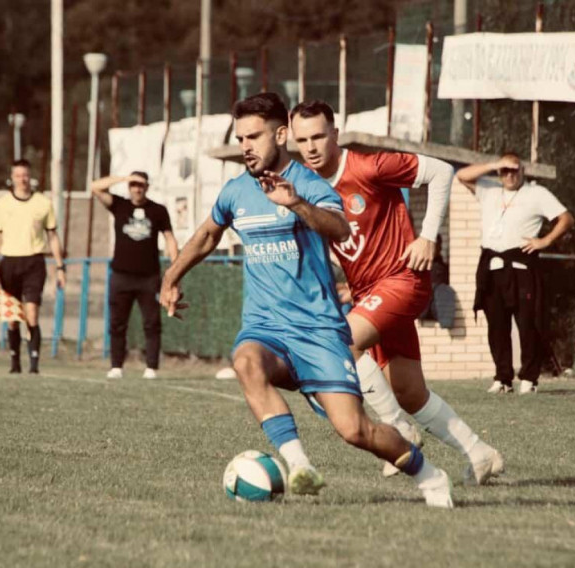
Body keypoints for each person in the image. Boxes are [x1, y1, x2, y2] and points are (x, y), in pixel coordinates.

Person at [160, 93, 453, 508]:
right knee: (245, 361)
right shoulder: (235, 191)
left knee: (356, 431)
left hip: (318, 331)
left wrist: (295, 203)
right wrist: (171, 276)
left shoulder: (311, 185)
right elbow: (208, 234)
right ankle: (300, 467)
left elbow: (340, 228)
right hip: (266, 327)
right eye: (240, 138)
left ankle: (429, 474)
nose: (245, 146)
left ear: (281, 135)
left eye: (254, 137)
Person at [290, 100, 504, 484]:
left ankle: (397, 429)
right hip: (370, 295)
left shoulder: (369, 166)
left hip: (403, 280)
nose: (311, 147)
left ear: (335, 134)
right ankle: (480, 453)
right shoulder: (307, 187)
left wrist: (427, 236)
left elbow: (442, 172)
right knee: (409, 392)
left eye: (318, 136)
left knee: (341, 340)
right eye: (302, 140)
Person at [455, 153, 574, 395]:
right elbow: (461, 175)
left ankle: (529, 379)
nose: (509, 175)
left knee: (528, 324)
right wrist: (494, 165)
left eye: (514, 170)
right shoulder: (489, 190)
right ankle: (503, 378)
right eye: (505, 171)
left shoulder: (536, 193)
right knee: (496, 326)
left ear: (523, 171)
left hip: (521, 266)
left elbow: (566, 218)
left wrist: (545, 241)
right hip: (492, 266)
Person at [91, 171, 179, 379]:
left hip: (148, 277)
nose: (136, 189)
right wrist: (123, 178)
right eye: (133, 185)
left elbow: (170, 238)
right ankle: (116, 366)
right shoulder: (119, 205)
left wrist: (175, 271)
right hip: (121, 276)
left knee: (152, 323)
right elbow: (95, 187)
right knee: (117, 323)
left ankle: (151, 367)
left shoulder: (158, 210)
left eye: (140, 185)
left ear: (147, 187)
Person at [0, 159, 66, 374]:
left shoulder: (43, 203)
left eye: (25, 175)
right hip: (9, 263)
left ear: (30, 177)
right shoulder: (2, 204)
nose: (22, 179)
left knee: (31, 313)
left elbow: (52, 236)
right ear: (12, 178)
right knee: (13, 319)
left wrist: (60, 268)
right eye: (18, 175)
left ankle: (34, 364)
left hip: (34, 262)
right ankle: (15, 362)